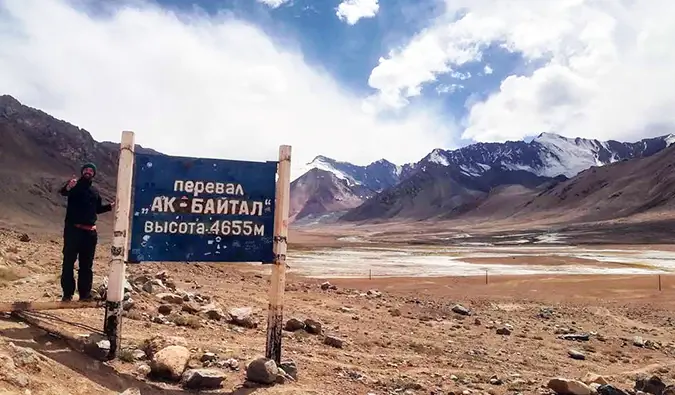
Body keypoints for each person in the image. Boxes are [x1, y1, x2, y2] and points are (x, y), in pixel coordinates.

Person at [58, 163, 115, 302]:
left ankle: (84, 294)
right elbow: (64, 192)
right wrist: (68, 186)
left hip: (89, 233)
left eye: (91, 170)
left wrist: (110, 207)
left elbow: (97, 209)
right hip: (73, 231)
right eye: (86, 170)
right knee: (68, 263)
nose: (88, 172)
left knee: (86, 265)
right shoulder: (74, 185)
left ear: (93, 174)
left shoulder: (95, 191)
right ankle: (67, 294)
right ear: (82, 172)